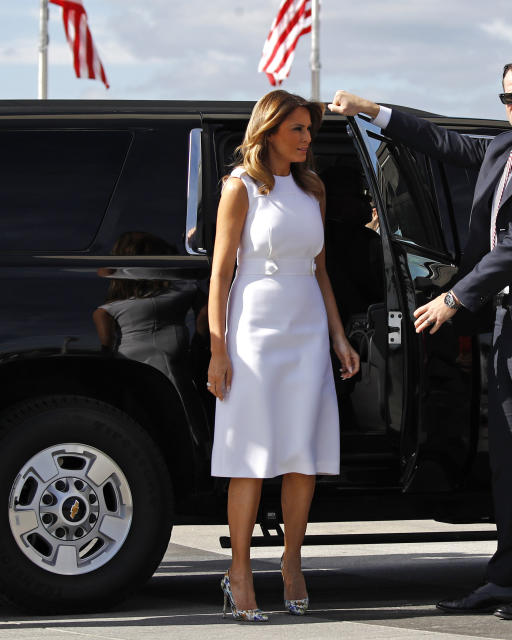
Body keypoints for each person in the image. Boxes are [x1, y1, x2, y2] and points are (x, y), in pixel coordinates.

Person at [329, 59, 512, 620]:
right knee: (509, 461)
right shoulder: (505, 150)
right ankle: (507, 579)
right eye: (507, 98)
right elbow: (438, 140)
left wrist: (454, 298)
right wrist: (370, 109)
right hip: (507, 326)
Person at [208, 90, 360, 622]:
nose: (306, 139)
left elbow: (320, 272)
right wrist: (218, 349)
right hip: (253, 327)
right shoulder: (241, 187)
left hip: (306, 327)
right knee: (249, 458)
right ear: (270, 130)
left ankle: (292, 562)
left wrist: (338, 337)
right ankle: (239, 571)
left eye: (309, 130)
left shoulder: (311, 189)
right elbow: (221, 273)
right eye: (297, 129)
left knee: (303, 456)